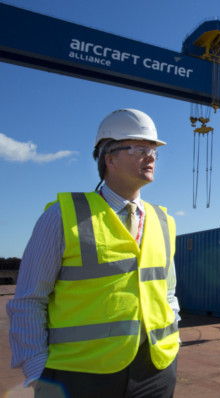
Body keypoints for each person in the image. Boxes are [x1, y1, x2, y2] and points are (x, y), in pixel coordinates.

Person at [7, 109, 180, 397]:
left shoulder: (164, 221)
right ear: (109, 158)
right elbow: (28, 299)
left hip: (156, 371)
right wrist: (37, 373)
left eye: (153, 150)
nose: (150, 156)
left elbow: (168, 293)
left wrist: (174, 344)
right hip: (80, 375)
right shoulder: (62, 216)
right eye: (139, 148)